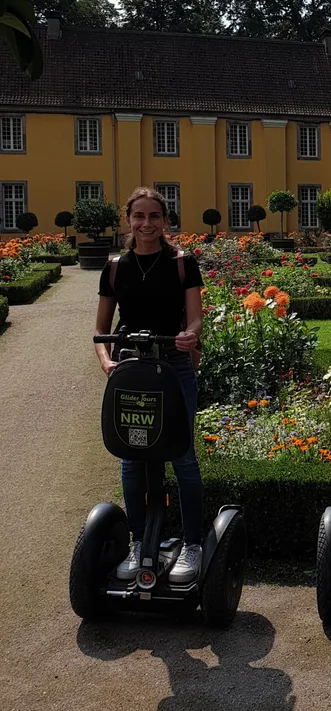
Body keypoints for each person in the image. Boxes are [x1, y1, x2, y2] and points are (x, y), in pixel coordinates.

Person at [94, 186, 205, 584]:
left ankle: (193, 542)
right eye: (138, 216)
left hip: (173, 364)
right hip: (131, 367)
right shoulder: (114, 267)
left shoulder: (181, 263)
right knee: (132, 456)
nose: (146, 224)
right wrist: (108, 362)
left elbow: (194, 319)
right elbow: (101, 330)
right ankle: (141, 541)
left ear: (165, 221)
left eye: (154, 217)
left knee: (182, 454)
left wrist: (189, 336)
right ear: (129, 220)